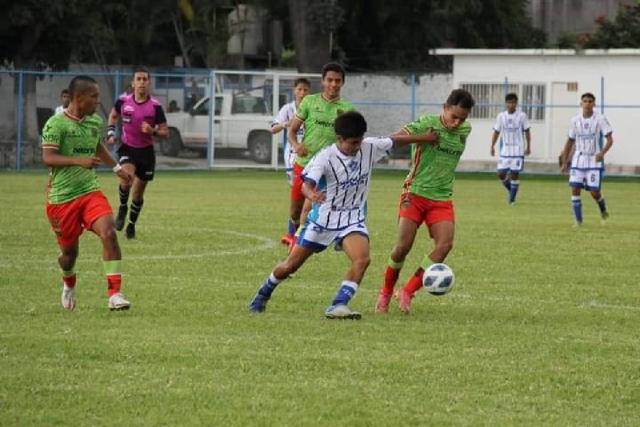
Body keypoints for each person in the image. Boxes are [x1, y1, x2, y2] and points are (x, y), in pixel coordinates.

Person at [249, 111, 439, 319]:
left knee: (362, 259)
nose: (357, 147)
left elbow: (395, 141)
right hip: (322, 222)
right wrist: (311, 193)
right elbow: (307, 184)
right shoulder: (324, 157)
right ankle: (263, 293)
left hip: (352, 221)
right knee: (290, 266)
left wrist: (425, 138)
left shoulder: (369, 147)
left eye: (359, 142)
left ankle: (338, 304)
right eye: (352, 143)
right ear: (339, 139)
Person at [376, 88, 476, 315]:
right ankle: (385, 292)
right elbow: (393, 140)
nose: (456, 123)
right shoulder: (427, 123)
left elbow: (457, 129)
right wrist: (424, 138)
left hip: (442, 198)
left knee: (444, 245)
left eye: (462, 119)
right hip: (415, 193)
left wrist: (456, 126)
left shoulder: (465, 129)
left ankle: (408, 291)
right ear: (445, 107)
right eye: (454, 117)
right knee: (403, 247)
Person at [41, 75, 134, 311]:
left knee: (109, 232)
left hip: (89, 192)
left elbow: (97, 146)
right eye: (94, 96)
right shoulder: (56, 124)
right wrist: (77, 160)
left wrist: (116, 168)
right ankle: (68, 281)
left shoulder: (93, 122)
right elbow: (48, 158)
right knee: (69, 255)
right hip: (62, 199)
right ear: (78, 98)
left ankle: (115, 294)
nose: (98, 101)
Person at [287, 63, 355, 252]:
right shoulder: (309, 102)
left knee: (307, 211)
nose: (333, 84)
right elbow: (291, 132)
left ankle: (294, 253)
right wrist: (296, 145)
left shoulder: (348, 109)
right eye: (330, 80)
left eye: (338, 81)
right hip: (303, 165)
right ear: (323, 81)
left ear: (343, 83)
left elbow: (352, 140)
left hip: (329, 170)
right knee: (295, 211)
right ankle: (296, 234)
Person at [106, 68, 169, 239]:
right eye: (138, 79)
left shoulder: (155, 107)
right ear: (133, 83)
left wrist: (152, 131)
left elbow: (165, 132)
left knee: (138, 193)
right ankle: (122, 208)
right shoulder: (123, 101)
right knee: (126, 177)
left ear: (149, 84)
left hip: (146, 153)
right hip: (128, 148)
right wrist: (111, 133)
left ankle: (131, 226)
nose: (141, 82)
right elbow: (112, 116)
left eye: (145, 79)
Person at [560, 92, 613, 227]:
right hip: (578, 159)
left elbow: (610, 139)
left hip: (594, 159)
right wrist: (565, 161)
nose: (587, 103)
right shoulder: (575, 121)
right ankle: (578, 221)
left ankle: (603, 208)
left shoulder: (600, 119)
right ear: (581, 104)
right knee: (575, 188)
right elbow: (570, 141)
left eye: (590, 101)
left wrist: (602, 152)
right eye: (585, 101)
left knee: (594, 192)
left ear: (594, 104)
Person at [270, 77, 311, 246]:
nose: (302, 93)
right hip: (292, 155)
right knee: (297, 194)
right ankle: (293, 231)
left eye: (305, 90)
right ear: (294, 90)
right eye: (299, 89)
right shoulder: (288, 109)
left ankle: (294, 232)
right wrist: (287, 124)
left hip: (310, 154)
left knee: (306, 192)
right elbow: (273, 128)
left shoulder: (312, 108)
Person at [490, 93, 531, 205]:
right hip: (506, 149)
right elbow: (497, 131)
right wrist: (492, 146)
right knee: (501, 173)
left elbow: (527, 131)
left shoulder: (522, 116)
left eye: (513, 102)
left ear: (516, 103)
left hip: (518, 149)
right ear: (506, 103)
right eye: (509, 102)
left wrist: (528, 146)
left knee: (514, 173)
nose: (511, 104)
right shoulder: (501, 116)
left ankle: (511, 200)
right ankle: (512, 190)